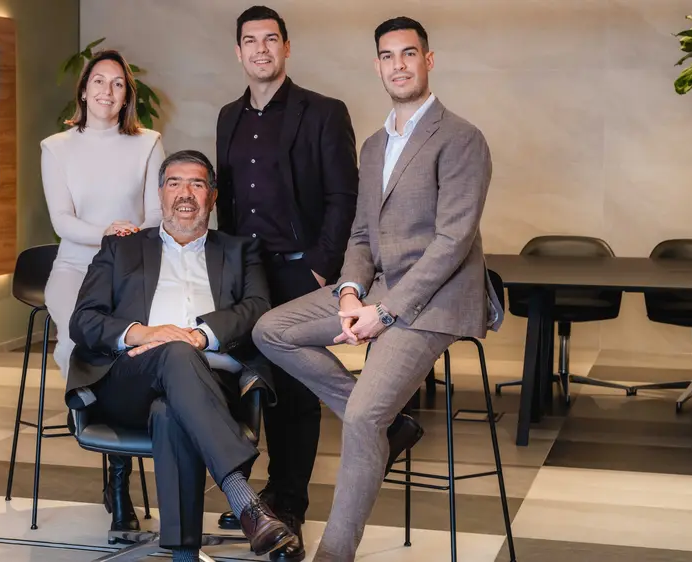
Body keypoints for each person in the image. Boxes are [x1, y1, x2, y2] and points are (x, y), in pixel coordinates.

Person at [251, 16, 504, 561]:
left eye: (408, 54)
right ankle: (388, 423)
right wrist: (349, 292)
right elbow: (362, 234)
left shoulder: (461, 138)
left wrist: (385, 312)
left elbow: (453, 241)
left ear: (428, 60)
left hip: (436, 300)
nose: (399, 65)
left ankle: (334, 553)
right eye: (388, 56)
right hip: (378, 287)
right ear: (377, 66)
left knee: (365, 416)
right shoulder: (373, 145)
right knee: (271, 329)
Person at [65, 150, 302, 562]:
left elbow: (257, 307)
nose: (185, 193)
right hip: (130, 380)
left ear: (212, 196)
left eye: (197, 183)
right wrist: (145, 333)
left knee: (170, 410)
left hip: (213, 386)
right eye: (174, 183)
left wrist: (199, 336)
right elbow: (83, 320)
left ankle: (184, 555)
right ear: (160, 194)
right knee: (173, 355)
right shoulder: (122, 249)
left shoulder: (240, 250)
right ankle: (244, 499)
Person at [214, 7, 358, 559]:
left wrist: (321, 264)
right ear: (238, 52)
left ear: (286, 47)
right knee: (254, 379)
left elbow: (344, 195)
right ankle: (263, 496)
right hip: (246, 270)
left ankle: (289, 500)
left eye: (270, 39)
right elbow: (227, 199)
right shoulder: (228, 116)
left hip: (300, 268)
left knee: (296, 389)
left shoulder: (323, 111)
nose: (261, 49)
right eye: (250, 41)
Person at [39, 50, 163, 537]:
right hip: (75, 265)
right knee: (82, 340)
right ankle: (94, 427)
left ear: (127, 94)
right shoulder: (56, 147)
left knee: (126, 350)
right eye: (98, 81)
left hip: (129, 268)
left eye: (117, 83)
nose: (106, 91)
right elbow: (62, 221)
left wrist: (125, 239)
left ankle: (118, 482)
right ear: (84, 88)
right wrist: (107, 233)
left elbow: (156, 216)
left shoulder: (148, 142)